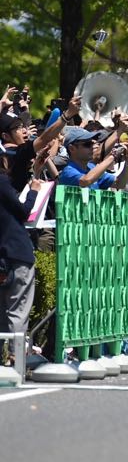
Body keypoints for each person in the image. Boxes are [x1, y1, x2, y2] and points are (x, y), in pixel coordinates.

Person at [0, 145, 42, 363]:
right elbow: (24, 212)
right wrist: (34, 191)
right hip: (16, 253)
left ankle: (3, 359)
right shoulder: (2, 182)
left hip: (3, 258)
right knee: (17, 310)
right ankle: (17, 360)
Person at [57, 127, 128, 190]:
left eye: (92, 143)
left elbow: (119, 184)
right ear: (72, 148)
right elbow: (85, 181)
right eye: (87, 144)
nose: (92, 147)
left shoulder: (92, 168)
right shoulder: (68, 171)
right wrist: (112, 156)